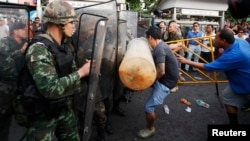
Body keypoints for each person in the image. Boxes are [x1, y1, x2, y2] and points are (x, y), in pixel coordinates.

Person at [23, 0, 91, 140]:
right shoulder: (39, 49)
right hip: (43, 115)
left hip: (62, 108)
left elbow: (69, 72)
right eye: (71, 22)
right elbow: (50, 89)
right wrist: (81, 73)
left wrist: (86, 70)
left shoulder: (63, 45)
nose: (73, 26)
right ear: (60, 23)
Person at [177, 28, 250, 124]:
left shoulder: (233, 55)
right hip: (240, 79)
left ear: (223, 41)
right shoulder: (239, 41)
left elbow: (208, 67)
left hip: (245, 82)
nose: (214, 39)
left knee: (231, 98)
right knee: (228, 96)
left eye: (216, 38)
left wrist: (186, 61)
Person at [136, 27, 179, 138]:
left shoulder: (159, 49)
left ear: (150, 37)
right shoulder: (162, 45)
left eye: (147, 39)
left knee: (148, 108)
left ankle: (150, 129)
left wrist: (148, 84)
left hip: (166, 82)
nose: (147, 42)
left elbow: (161, 72)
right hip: (169, 79)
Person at [0, 20, 28, 141]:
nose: (26, 30)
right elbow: (5, 65)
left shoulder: (27, 43)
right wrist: (20, 52)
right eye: (23, 28)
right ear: (15, 31)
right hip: (5, 88)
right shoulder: (4, 43)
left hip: (21, 88)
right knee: (3, 121)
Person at [166, 21, 185, 93]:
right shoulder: (171, 33)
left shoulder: (178, 34)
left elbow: (180, 46)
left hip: (178, 54)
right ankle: (180, 77)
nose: (169, 28)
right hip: (174, 53)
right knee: (177, 68)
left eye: (170, 27)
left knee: (175, 70)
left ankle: (175, 86)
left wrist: (172, 52)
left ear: (175, 27)